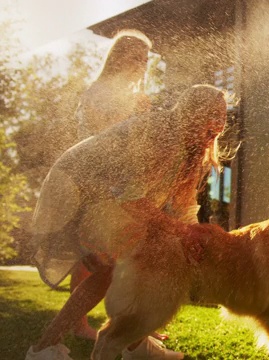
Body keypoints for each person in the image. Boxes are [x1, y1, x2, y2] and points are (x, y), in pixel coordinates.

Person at [26, 84, 229, 360]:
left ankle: (132, 344)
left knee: (135, 261)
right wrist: (181, 232)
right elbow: (129, 197)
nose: (220, 123)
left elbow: (183, 208)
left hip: (102, 195)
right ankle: (47, 349)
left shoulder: (191, 149)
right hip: (76, 189)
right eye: (213, 114)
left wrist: (193, 235)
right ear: (192, 113)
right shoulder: (164, 135)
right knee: (120, 264)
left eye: (224, 115)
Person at [70, 29, 153, 341]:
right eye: (136, 57)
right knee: (92, 257)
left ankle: (129, 327)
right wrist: (134, 111)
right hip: (95, 181)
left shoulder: (128, 94)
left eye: (146, 59)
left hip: (119, 182)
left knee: (118, 255)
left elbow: (132, 144)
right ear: (119, 57)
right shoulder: (100, 91)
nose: (142, 64)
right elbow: (104, 136)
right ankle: (80, 327)